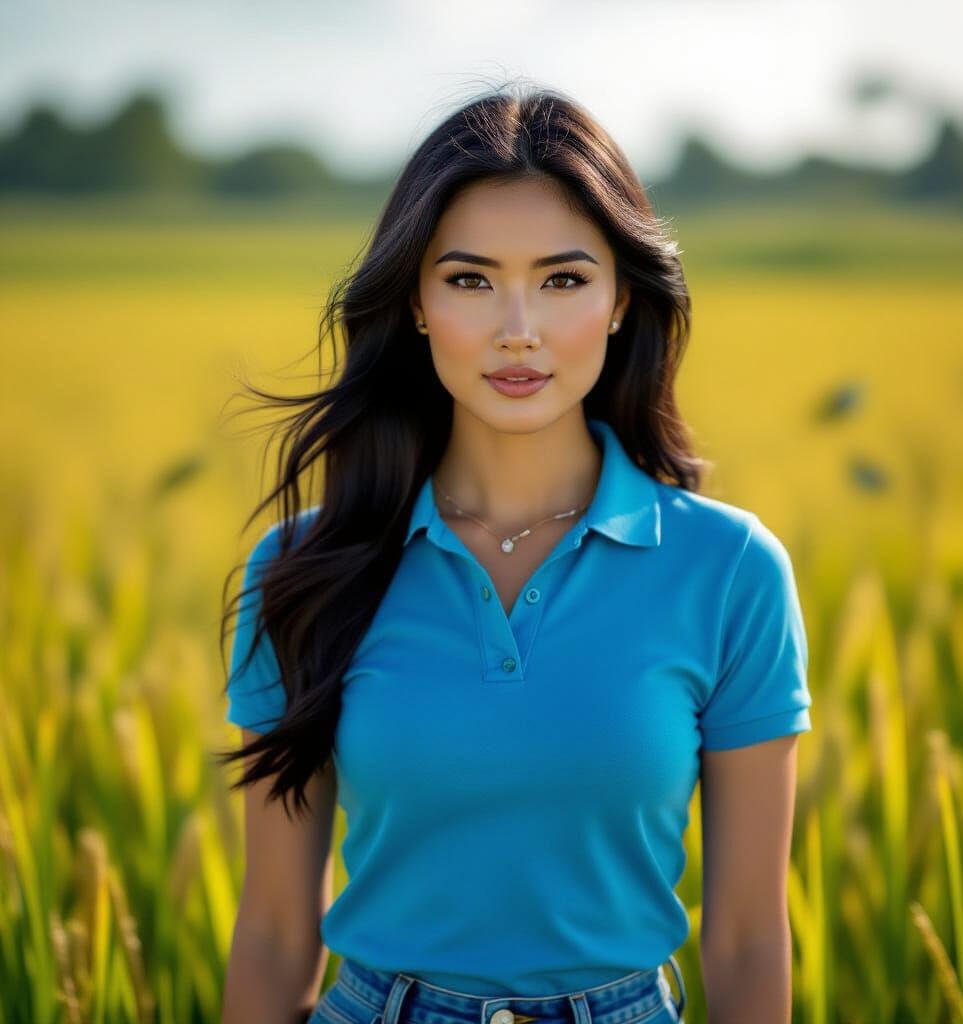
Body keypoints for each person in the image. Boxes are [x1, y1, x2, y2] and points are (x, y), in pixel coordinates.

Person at [216, 81, 812, 1024]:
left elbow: (744, 937)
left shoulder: (731, 571)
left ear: (622, 300)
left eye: (564, 279)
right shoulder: (303, 569)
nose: (518, 328)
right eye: (470, 279)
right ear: (415, 302)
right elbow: (277, 931)